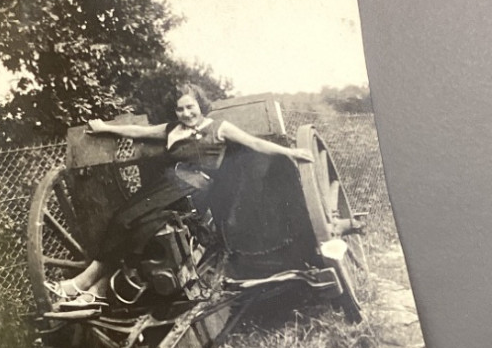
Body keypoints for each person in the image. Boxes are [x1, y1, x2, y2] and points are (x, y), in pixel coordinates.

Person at [51, 85, 314, 305]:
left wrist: (291, 153)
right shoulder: (171, 129)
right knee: (123, 219)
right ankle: (89, 287)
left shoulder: (218, 128)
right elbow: (138, 131)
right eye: (180, 109)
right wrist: (104, 128)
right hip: (166, 186)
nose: (186, 113)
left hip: (194, 193)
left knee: (146, 227)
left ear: (201, 105)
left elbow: (255, 143)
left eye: (191, 107)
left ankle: (89, 287)